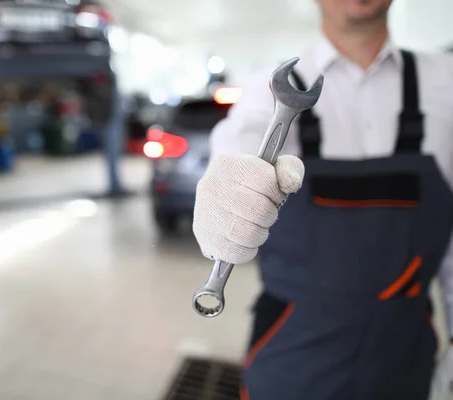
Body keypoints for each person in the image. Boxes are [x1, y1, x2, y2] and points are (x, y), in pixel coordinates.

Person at [192, 0, 453, 399]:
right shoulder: (266, 92)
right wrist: (225, 190)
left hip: (407, 351)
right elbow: (235, 147)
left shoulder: (446, 84)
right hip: (291, 349)